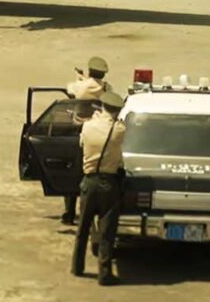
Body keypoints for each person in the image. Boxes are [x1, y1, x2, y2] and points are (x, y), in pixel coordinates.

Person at [71, 91, 127, 286]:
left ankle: (77, 267)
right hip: (109, 183)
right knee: (106, 231)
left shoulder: (87, 126)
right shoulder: (119, 129)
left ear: (101, 107)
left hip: (89, 181)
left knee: (83, 227)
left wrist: (94, 118)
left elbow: (81, 143)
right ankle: (104, 273)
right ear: (117, 111)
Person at [61, 56, 112, 224]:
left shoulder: (82, 86)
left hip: (79, 130)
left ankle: (69, 212)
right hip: (98, 134)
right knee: (90, 172)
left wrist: (81, 79)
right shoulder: (106, 88)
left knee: (72, 172)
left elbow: (70, 89)